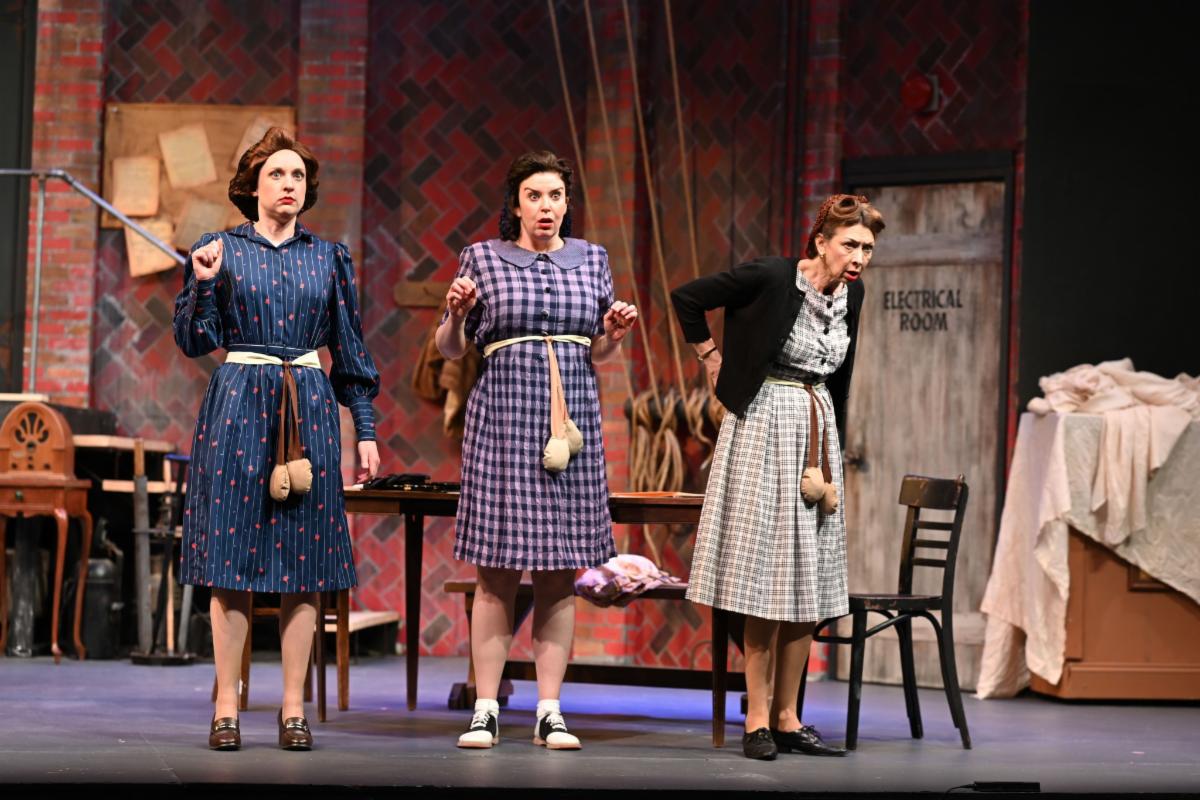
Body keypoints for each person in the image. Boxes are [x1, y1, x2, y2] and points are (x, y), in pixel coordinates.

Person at [173, 127, 381, 751]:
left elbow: (349, 350)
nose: (289, 185)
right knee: (229, 561)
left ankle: (293, 708)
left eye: (298, 176)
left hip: (308, 408)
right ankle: (226, 707)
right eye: (277, 175)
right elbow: (194, 341)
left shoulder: (329, 258)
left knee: (306, 562)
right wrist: (202, 283)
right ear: (253, 187)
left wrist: (365, 429)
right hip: (238, 405)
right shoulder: (219, 249)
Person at [670, 194, 884, 760]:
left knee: (809, 579)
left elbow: (841, 376)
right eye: (850, 245)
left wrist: (833, 450)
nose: (859, 258)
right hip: (764, 424)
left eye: (867, 248)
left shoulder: (854, 294)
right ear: (821, 241)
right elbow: (687, 298)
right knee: (763, 578)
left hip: (816, 428)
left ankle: (790, 717)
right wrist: (712, 358)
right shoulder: (771, 276)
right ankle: (757, 719)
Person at [436, 151, 637, 750]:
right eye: (534, 196)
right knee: (495, 572)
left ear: (567, 203)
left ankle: (551, 710)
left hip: (569, 425)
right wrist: (455, 314)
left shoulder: (593, 259)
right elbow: (450, 349)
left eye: (555, 196)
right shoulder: (482, 258)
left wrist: (612, 336)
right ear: (516, 204)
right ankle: (486, 709)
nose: (545, 206)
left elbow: (596, 352)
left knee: (558, 573)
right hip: (503, 420)